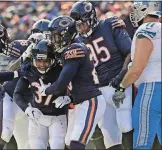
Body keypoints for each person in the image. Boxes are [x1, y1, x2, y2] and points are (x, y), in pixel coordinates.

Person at [69, 1, 133, 149]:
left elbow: (130, 53)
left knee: (125, 123)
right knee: (108, 132)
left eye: (83, 23)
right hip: (100, 90)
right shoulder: (77, 41)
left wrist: (122, 75)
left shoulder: (109, 25)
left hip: (120, 83)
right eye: (78, 25)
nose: (81, 28)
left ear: (91, 18)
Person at [39, 16, 106, 149]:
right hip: (79, 101)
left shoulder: (74, 49)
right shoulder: (67, 51)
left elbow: (62, 82)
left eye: (56, 37)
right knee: (69, 142)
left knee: (76, 143)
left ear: (66, 35)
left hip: (90, 100)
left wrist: (46, 90)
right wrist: (69, 97)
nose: (53, 41)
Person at [0, 19, 50, 149]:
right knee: (5, 134)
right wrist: (27, 53)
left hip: (29, 104)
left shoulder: (54, 52)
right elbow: (11, 68)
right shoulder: (20, 45)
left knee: (29, 146)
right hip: (9, 97)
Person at [113, 2, 161, 149]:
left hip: (151, 90)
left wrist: (121, 88)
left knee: (142, 143)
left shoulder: (145, 30)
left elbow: (137, 68)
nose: (133, 12)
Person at [14, 39, 69, 149]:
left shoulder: (60, 70)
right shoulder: (29, 70)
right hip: (37, 117)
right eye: (39, 60)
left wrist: (69, 98)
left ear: (53, 60)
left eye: (46, 61)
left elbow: (76, 87)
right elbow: (17, 93)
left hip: (58, 117)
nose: (42, 64)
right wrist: (27, 109)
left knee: (57, 146)